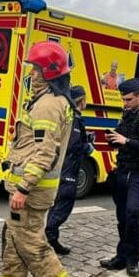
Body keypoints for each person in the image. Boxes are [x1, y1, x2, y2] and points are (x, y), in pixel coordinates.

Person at [0, 41, 76, 277]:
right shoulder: (52, 101)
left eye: (36, 69)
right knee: (15, 240)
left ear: (49, 72)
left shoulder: (47, 106)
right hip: (35, 189)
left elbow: (44, 153)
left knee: (30, 243)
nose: (31, 73)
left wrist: (23, 188)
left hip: (32, 191)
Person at [100, 78, 139, 276]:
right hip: (121, 171)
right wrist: (113, 139)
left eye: (128, 99)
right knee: (122, 217)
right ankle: (121, 257)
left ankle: (133, 259)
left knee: (133, 214)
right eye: (123, 99)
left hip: (138, 174)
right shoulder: (126, 116)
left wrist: (126, 141)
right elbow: (121, 139)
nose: (124, 103)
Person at [45, 85, 93, 255]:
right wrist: (87, 146)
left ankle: (52, 239)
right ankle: (47, 235)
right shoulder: (74, 119)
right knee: (63, 206)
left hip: (63, 167)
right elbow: (73, 144)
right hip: (68, 169)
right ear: (82, 101)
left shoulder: (69, 116)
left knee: (57, 205)